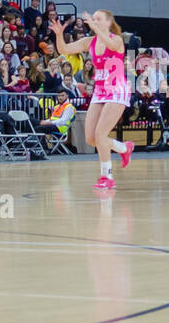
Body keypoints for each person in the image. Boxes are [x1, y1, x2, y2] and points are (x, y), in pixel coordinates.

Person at [51, 11, 134, 189]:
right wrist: (58, 35)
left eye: (98, 19)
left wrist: (96, 27)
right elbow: (64, 50)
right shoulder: (90, 42)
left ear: (108, 23)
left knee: (100, 134)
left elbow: (111, 45)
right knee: (90, 138)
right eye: (93, 19)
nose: (93, 22)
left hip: (117, 90)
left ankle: (107, 176)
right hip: (100, 90)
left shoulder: (117, 40)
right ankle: (123, 148)